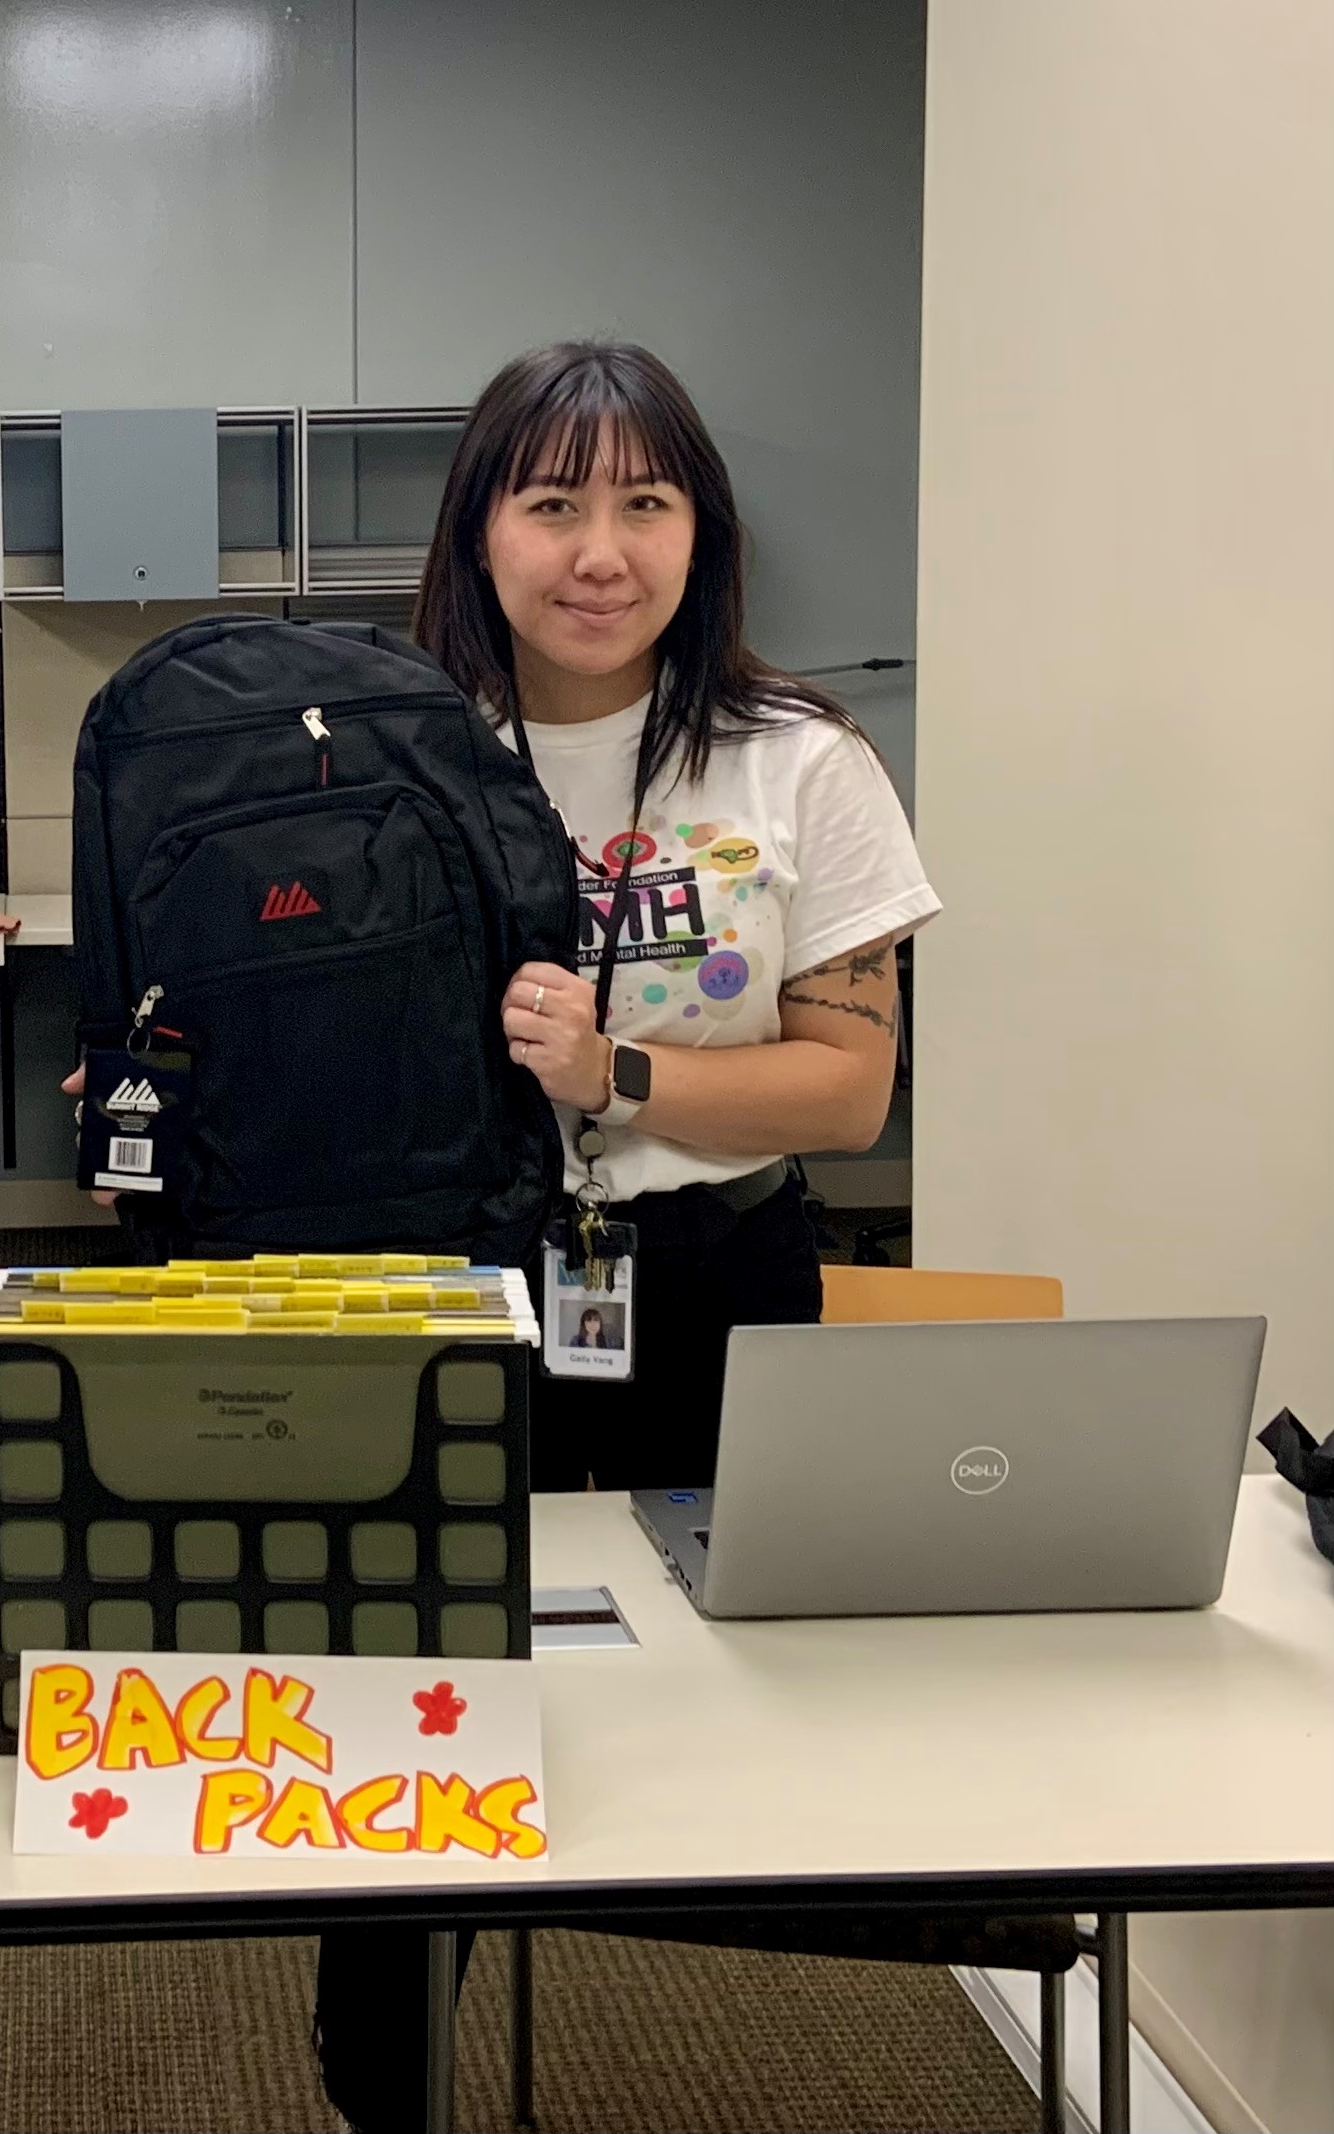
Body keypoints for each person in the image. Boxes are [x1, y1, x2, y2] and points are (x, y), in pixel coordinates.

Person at [313, 339, 939, 2131]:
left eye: (644, 504)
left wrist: (620, 1071)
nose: (601, 550)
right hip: (443, 1293)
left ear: (700, 532)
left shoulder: (797, 761)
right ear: (479, 531)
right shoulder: (377, 746)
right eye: (553, 502)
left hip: (712, 1286)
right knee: (406, 1705)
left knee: (717, 1708)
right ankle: (391, 2095)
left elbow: (843, 1095)